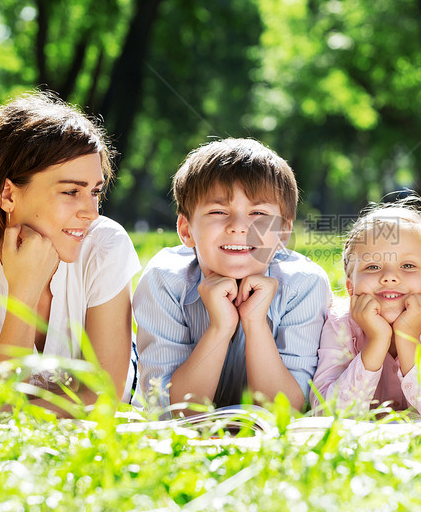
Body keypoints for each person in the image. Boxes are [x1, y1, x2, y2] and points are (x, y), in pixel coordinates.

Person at [0, 92, 140, 415]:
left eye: (95, 192)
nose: (91, 213)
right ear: (8, 193)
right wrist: (24, 291)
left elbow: (103, 398)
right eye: (71, 191)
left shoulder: (105, 247)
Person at [133, 138, 331, 417]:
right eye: (218, 212)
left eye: (258, 213)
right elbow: (170, 414)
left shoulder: (304, 285)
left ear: (284, 232)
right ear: (186, 229)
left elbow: (283, 413)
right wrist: (220, 328)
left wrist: (254, 323)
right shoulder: (164, 280)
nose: (238, 227)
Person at [311, 200, 421, 421]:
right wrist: (376, 341)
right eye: (372, 267)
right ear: (351, 288)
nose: (389, 276)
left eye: (408, 266)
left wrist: (408, 338)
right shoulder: (339, 325)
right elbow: (326, 414)